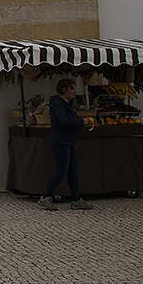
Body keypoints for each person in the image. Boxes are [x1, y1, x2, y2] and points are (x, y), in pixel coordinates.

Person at [39, 78, 93, 211]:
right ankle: (45, 197)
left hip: (68, 141)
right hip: (60, 141)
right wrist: (82, 122)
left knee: (73, 171)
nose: (75, 91)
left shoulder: (66, 104)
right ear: (64, 90)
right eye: (72, 89)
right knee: (61, 171)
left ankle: (76, 199)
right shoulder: (58, 104)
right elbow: (65, 122)